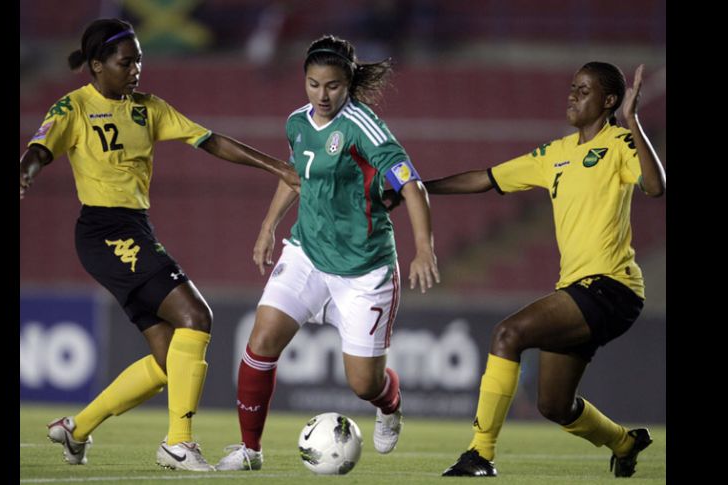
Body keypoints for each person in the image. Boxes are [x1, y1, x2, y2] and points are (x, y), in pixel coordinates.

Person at [19, 18, 300, 472]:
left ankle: (77, 428)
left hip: (135, 229)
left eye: (139, 61)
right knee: (197, 315)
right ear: (97, 66)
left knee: (170, 358)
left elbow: (209, 140)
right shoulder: (72, 108)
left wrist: (277, 167)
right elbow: (39, 150)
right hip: (104, 231)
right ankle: (178, 442)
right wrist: (25, 172)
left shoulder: (148, 109)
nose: (135, 70)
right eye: (125, 62)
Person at [409, 62, 665, 477]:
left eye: (584, 91)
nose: (572, 96)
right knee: (554, 405)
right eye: (572, 88)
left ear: (609, 101)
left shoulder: (620, 142)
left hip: (612, 287)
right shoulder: (555, 154)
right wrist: (414, 189)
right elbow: (485, 178)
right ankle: (625, 441)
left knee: (508, 334)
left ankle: (480, 453)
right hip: (580, 289)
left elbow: (655, 187)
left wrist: (634, 120)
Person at [214, 34, 441, 471]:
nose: (322, 94)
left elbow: (411, 185)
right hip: (307, 252)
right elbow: (296, 173)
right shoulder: (297, 123)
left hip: (363, 270)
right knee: (260, 343)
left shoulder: (364, 125)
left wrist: (423, 249)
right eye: (314, 84)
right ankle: (249, 451)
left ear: (348, 82)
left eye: (332, 85)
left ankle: (390, 404)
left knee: (363, 384)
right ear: (304, 81)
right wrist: (268, 226)